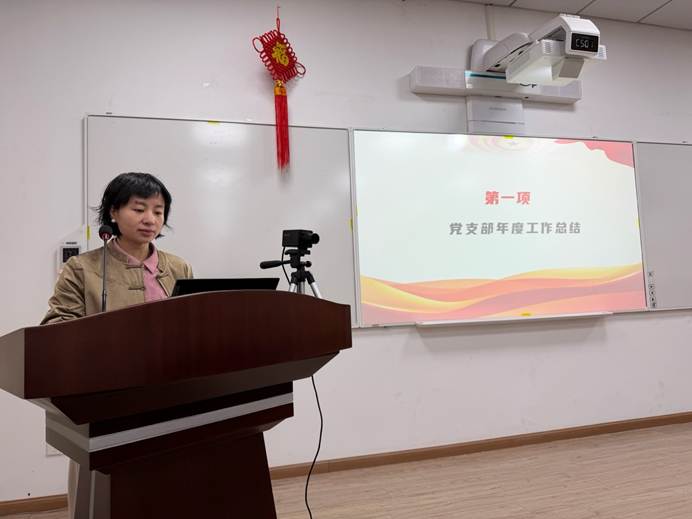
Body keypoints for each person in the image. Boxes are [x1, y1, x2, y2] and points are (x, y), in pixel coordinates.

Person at [41, 172, 193, 518]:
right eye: (139, 209)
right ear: (113, 211)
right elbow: (55, 327)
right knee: (105, 496)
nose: (150, 219)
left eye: (158, 211)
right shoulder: (82, 268)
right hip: (105, 398)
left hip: (171, 392)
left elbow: (193, 324)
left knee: (167, 488)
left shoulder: (178, 267)